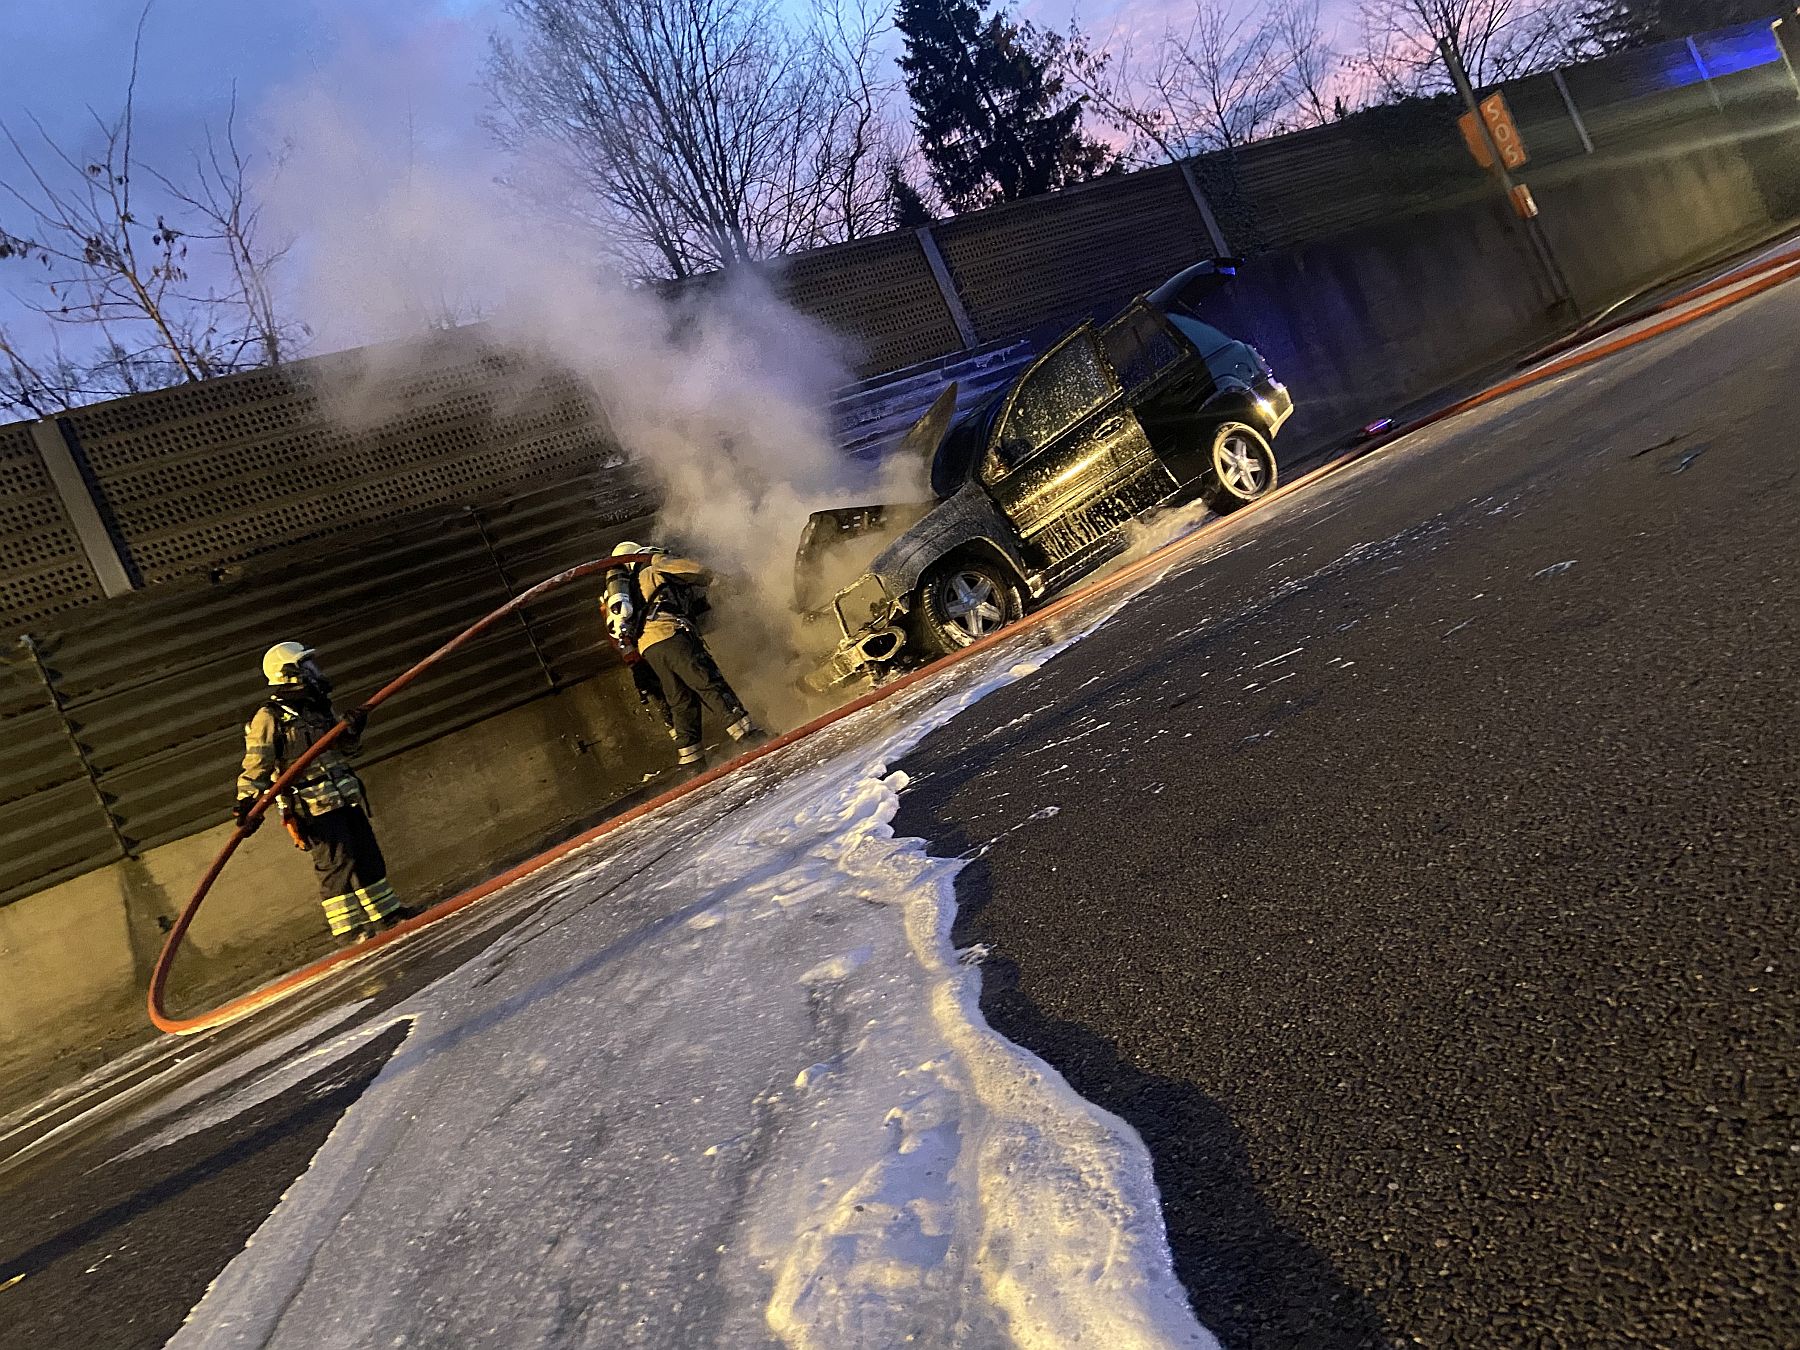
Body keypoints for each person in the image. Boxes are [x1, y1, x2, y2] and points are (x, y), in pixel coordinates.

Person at [234, 641, 405, 946]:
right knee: (336, 865)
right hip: (312, 807)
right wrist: (247, 802)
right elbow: (257, 763)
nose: (314, 672)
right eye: (305, 666)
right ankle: (348, 932)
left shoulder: (319, 709)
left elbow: (347, 750)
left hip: (345, 796)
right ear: (287, 672)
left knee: (367, 855)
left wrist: (352, 729)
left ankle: (388, 915)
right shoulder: (270, 717)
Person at [603, 541, 762, 767]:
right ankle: (748, 736)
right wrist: (717, 577)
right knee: (707, 681)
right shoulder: (651, 565)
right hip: (671, 635)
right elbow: (691, 570)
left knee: (681, 701)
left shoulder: (628, 589)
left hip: (650, 649)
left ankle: (691, 761)